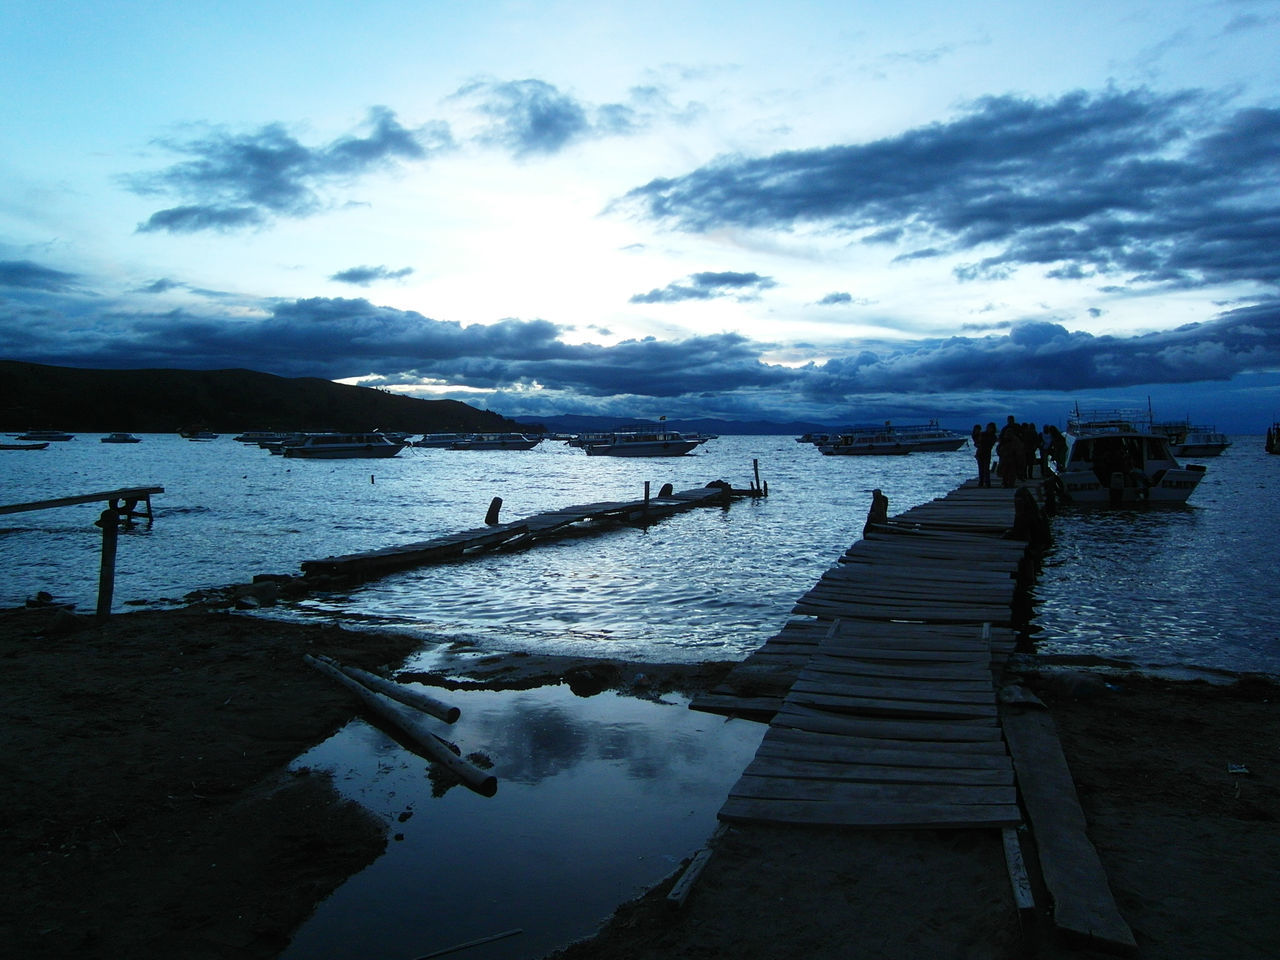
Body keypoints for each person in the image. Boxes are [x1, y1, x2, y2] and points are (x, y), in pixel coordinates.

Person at [976, 422, 997, 487]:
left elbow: (990, 444)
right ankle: (981, 482)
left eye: (989, 428)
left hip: (987, 453)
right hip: (980, 452)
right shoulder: (983, 434)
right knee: (981, 469)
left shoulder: (993, 436)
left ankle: (987, 483)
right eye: (988, 427)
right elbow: (977, 442)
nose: (988, 429)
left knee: (986, 468)